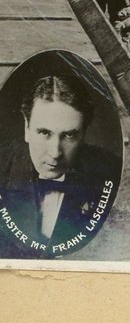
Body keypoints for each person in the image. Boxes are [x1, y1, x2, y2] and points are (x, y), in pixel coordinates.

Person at [0, 75, 121, 250]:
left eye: (69, 135)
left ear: (84, 134)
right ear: (26, 127)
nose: (55, 153)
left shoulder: (112, 172)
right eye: (43, 133)